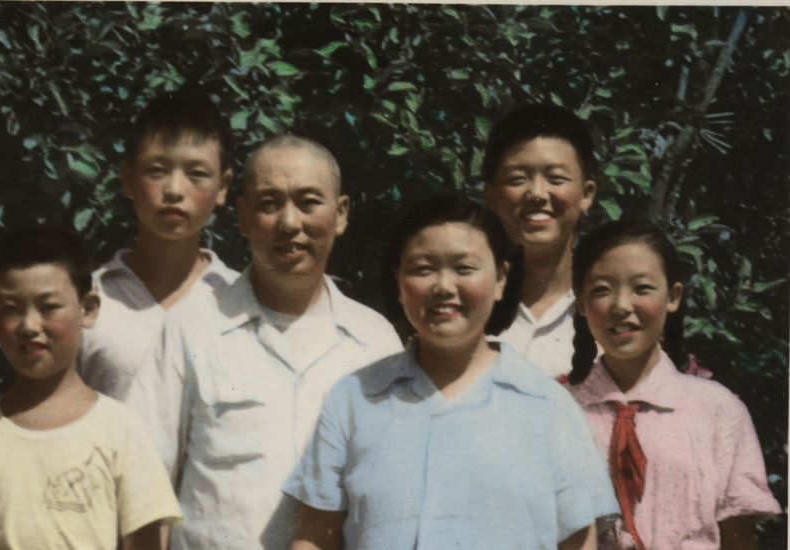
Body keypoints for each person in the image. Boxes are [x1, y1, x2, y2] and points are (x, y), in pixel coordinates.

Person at [284, 195, 618, 550]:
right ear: (398, 281)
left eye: (464, 268)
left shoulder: (548, 406)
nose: (443, 286)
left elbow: (579, 542)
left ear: (501, 278)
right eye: (423, 269)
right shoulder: (353, 399)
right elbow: (314, 538)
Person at [131, 135, 403, 550]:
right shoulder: (192, 328)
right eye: (269, 204)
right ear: (243, 216)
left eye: (308, 202)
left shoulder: (375, 342)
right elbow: (143, 486)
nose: (289, 222)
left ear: (341, 213)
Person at [0, 226, 182, 550]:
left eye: (49, 307)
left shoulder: (123, 431)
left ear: (88, 308)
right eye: (10, 309)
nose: (29, 326)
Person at [567, 221, 781, 549]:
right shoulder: (560, 411)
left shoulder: (719, 411)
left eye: (642, 288)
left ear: (673, 296)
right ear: (581, 302)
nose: (621, 305)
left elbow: (740, 538)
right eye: (602, 290)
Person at [78, 90, 238, 401]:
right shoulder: (89, 300)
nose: (175, 190)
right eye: (156, 171)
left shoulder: (240, 301)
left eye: (197, 174)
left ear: (223, 186)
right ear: (127, 178)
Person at [482, 104, 597, 380]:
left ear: (586, 194)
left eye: (556, 178)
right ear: (490, 196)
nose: (537, 193)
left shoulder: (611, 313)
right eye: (517, 179)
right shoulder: (465, 305)